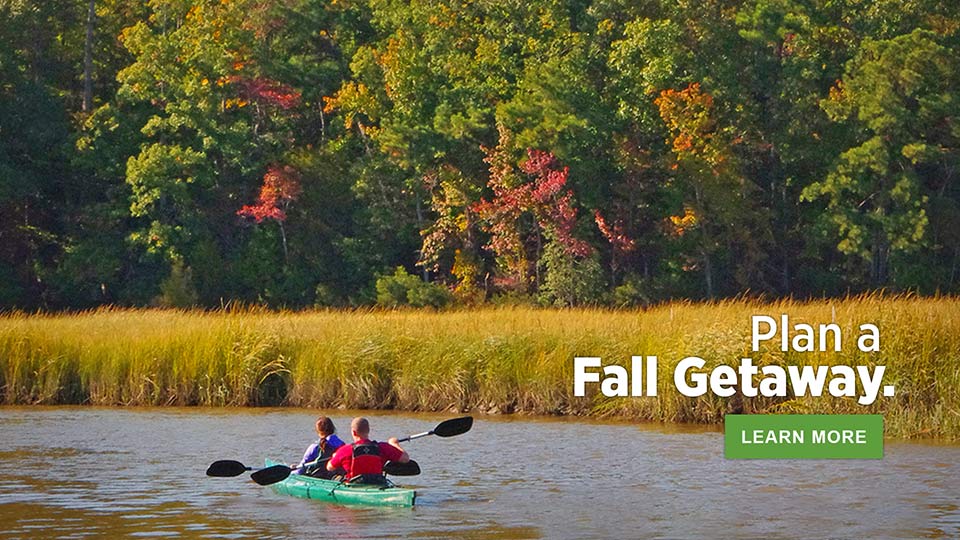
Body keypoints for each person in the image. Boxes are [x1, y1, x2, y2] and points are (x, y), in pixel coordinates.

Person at [327, 417, 409, 483]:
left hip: (353, 485)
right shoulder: (383, 447)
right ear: (368, 430)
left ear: (354, 432)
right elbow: (405, 458)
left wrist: (335, 456)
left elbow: (329, 467)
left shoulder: (345, 450)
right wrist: (394, 444)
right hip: (377, 483)